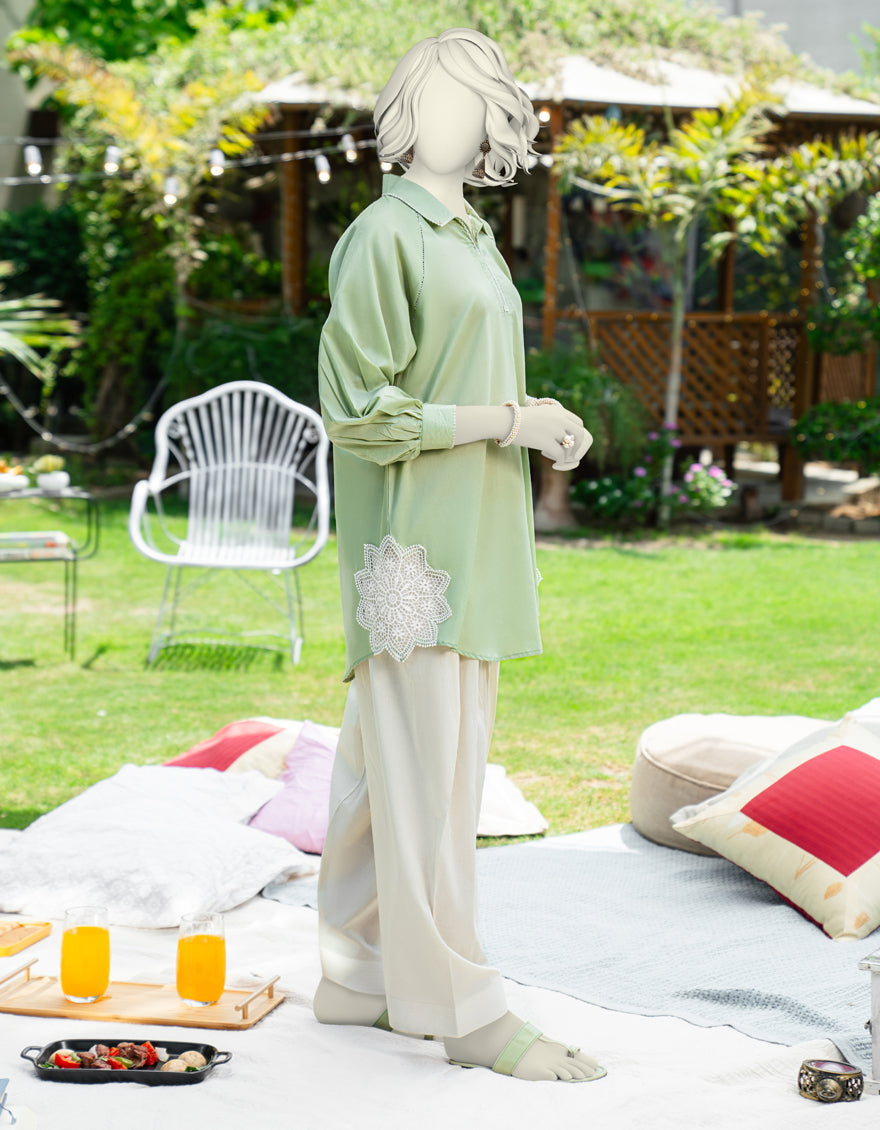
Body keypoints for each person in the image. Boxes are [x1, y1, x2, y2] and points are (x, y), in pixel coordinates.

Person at [315, 27, 605, 1083]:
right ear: (402, 112)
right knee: (430, 792)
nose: (451, 118)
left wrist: (532, 417)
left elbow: (458, 381)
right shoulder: (385, 235)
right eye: (432, 97)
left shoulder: (469, 233)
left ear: (493, 121)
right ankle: (463, 1009)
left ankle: (355, 972)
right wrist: (512, 421)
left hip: (470, 538)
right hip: (415, 551)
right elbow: (359, 412)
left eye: (471, 101)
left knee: (382, 773)